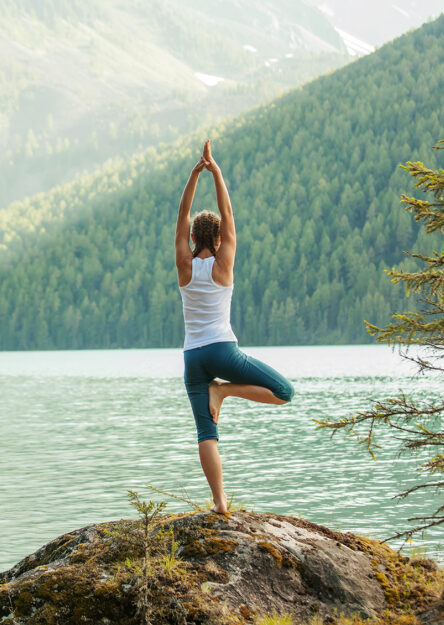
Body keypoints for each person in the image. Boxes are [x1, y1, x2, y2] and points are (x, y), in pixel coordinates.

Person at [175, 140, 295, 515]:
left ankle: (220, 503)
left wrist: (194, 175)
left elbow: (182, 216)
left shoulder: (184, 265)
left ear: (193, 239)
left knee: (205, 434)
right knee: (284, 391)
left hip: (193, 357)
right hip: (223, 351)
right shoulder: (223, 263)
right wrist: (218, 172)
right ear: (222, 238)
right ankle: (223, 392)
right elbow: (227, 212)